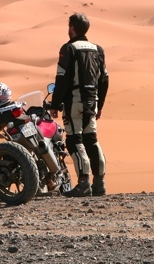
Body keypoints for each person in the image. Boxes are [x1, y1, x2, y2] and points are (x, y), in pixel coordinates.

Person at [50, 13, 109, 197]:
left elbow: (62, 79)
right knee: (92, 140)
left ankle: (83, 183)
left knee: (74, 140)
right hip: (93, 102)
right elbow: (105, 80)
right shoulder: (97, 49)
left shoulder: (69, 49)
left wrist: (55, 104)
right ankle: (99, 184)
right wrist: (100, 105)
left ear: (72, 29)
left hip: (74, 102)